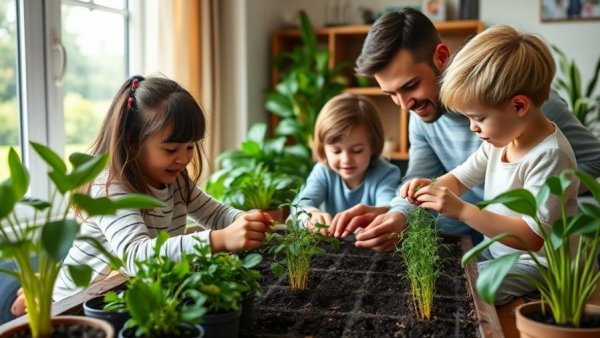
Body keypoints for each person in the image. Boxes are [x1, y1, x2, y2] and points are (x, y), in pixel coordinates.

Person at [327, 7, 600, 251]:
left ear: (441, 57)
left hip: (529, 235)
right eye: (390, 94)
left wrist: (529, 194)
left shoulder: (530, 109)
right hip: (474, 224)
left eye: (409, 86)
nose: (403, 104)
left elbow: (594, 160)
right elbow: (423, 176)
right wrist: (396, 213)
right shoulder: (419, 114)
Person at [7, 75, 274, 316]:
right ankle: (35, 294)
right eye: (170, 150)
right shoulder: (110, 187)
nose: (183, 159)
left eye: (190, 146)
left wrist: (245, 220)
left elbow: (215, 214)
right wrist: (219, 239)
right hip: (72, 307)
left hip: (120, 296)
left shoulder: (176, 181)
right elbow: (136, 257)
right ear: (132, 143)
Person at [400, 25, 578, 305]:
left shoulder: (550, 156)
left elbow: (532, 238)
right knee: (446, 271)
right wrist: (431, 186)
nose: (472, 128)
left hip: (540, 265)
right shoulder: (502, 140)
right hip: (499, 253)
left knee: (477, 288)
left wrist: (463, 210)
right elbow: (460, 179)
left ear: (519, 106)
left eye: (478, 118)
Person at [293, 93, 400, 231]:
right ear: (323, 149)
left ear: (373, 145)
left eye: (357, 150)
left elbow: (388, 209)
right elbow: (299, 206)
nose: (346, 160)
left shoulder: (386, 173)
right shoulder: (323, 171)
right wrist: (311, 215)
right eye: (336, 151)